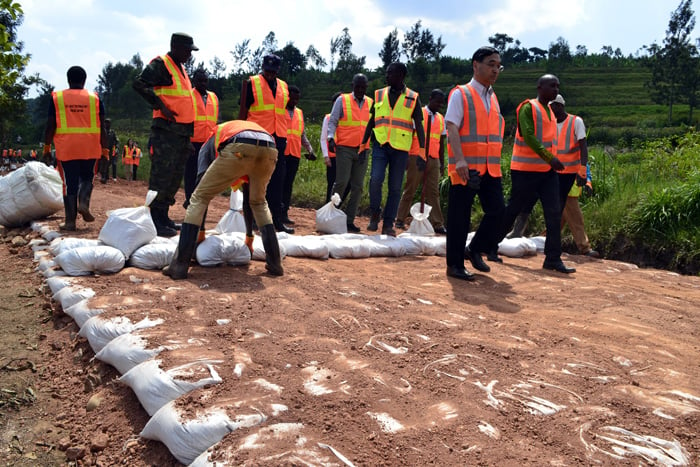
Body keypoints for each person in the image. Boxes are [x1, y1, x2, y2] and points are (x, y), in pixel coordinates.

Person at [163, 120, 283, 279]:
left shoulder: (208, 144)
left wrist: (200, 238)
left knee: (199, 197)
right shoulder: (232, 130)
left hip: (239, 147)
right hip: (270, 149)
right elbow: (248, 199)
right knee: (259, 202)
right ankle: (275, 263)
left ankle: (179, 264)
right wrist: (249, 238)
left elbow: (200, 184)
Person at [500, 74, 576, 274]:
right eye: (552, 86)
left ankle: (553, 259)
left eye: (558, 86)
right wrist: (550, 158)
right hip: (525, 171)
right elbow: (529, 136)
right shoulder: (528, 108)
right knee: (513, 210)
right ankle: (491, 245)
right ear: (539, 87)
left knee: (553, 213)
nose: (556, 89)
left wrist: (550, 162)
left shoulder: (550, 112)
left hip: (546, 172)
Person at [442, 47, 507, 280]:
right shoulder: (462, 93)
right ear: (475, 65)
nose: (495, 69)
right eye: (491, 64)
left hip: (490, 167)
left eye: (498, 65)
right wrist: (459, 159)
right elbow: (451, 126)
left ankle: (475, 248)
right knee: (460, 216)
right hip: (466, 166)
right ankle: (455, 265)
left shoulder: (493, 97)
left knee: (499, 213)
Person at [133, 32, 198, 237]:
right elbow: (139, 84)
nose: (190, 54)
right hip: (166, 132)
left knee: (173, 177)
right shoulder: (162, 64)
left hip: (180, 133)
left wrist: (187, 138)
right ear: (176, 47)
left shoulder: (182, 69)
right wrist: (160, 106)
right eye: (188, 50)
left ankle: (163, 215)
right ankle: (154, 218)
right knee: (161, 176)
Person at [508, 94, 591, 239]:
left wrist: (584, 173)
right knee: (535, 201)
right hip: (547, 171)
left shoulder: (575, 122)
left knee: (567, 208)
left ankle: (581, 246)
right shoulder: (549, 122)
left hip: (568, 174)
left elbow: (583, 148)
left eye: (551, 107)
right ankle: (525, 233)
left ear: (559, 106)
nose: (549, 110)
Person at [361, 63, 424, 236]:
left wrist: (422, 152)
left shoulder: (413, 97)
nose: (386, 76)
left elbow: (419, 125)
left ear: (401, 75)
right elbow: (372, 120)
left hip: (401, 148)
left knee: (395, 187)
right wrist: (363, 144)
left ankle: (388, 224)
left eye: (390, 73)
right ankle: (375, 212)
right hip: (380, 144)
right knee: (375, 180)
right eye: (387, 73)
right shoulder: (379, 94)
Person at [43, 65, 108, 230]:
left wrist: (46, 148)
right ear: (84, 80)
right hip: (91, 147)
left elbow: (50, 125)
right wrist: (105, 150)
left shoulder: (57, 98)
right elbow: (103, 128)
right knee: (87, 178)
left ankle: (70, 222)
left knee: (69, 184)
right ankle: (84, 203)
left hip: (67, 148)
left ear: (68, 80)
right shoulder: (95, 98)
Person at [238, 54, 293, 234]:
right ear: (263, 68)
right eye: (267, 71)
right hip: (257, 137)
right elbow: (243, 111)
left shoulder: (284, 86)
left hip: (278, 139)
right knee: (256, 179)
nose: (269, 74)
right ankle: (253, 220)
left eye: (273, 71)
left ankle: (276, 220)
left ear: (278, 71)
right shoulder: (251, 83)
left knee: (278, 179)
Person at [396, 89, 447, 234]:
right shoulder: (419, 114)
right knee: (410, 188)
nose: (439, 105)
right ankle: (400, 219)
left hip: (433, 159)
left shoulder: (440, 119)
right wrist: (406, 157)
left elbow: (441, 142)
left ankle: (438, 223)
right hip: (416, 157)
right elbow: (409, 136)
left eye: (441, 103)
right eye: (437, 101)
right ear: (430, 99)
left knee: (433, 192)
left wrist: (441, 163)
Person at [327, 75, 373, 232]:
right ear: (352, 85)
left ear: (366, 87)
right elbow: (333, 121)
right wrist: (330, 138)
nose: (360, 90)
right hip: (345, 148)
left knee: (358, 186)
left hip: (363, 149)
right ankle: (331, 216)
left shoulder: (371, 103)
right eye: (357, 87)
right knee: (341, 182)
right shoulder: (342, 100)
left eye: (363, 87)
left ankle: (349, 220)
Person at [281, 85, 317, 225]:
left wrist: (310, 149)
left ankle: (284, 214)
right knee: (279, 183)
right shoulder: (279, 111)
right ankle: (275, 212)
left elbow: (302, 135)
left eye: (297, 99)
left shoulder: (299, 113)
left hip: (294, 153)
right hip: (281, 152)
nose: (295, 101)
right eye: (292, 98)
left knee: (288, 184)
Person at [186, 68, 219, 208]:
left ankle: (200, 200)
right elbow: (184, 119)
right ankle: (189, 200)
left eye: (205, 80)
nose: (203, 83)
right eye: (200, 81)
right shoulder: (188, 96)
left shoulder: (213, 97)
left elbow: (217, 120)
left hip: (208, 142)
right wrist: (187, 141)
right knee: (191, 173)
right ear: (194, 81)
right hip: (193, 142)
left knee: (206, 174)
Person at [562, 163, 599, 257]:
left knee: (558, 220)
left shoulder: (579, 153)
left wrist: (588, 182)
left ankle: (543, 240)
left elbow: (584, 166)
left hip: (571, 190)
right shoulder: (564, 152)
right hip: (566, 190)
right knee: (577, 219)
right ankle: (584, 247)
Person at [320, 91, 342, 203]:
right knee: (331, 182)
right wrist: (326, 156)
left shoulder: (346, 118)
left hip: (344, 156)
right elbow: (323, 138)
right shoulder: (328, 118)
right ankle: (328, 204)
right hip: (332, 156)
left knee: (344, 183)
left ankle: (337, 205)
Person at [99, 118, 119, 183]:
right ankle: (103, 177)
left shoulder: (112, 132)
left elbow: (116, 141)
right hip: (103, 149)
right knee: (103, 163)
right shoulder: (102, 132)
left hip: (109, 150)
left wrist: (116, 148)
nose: (107, 124)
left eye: (108, 123)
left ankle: (105, 177)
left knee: (108, 163)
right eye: (105, 123)